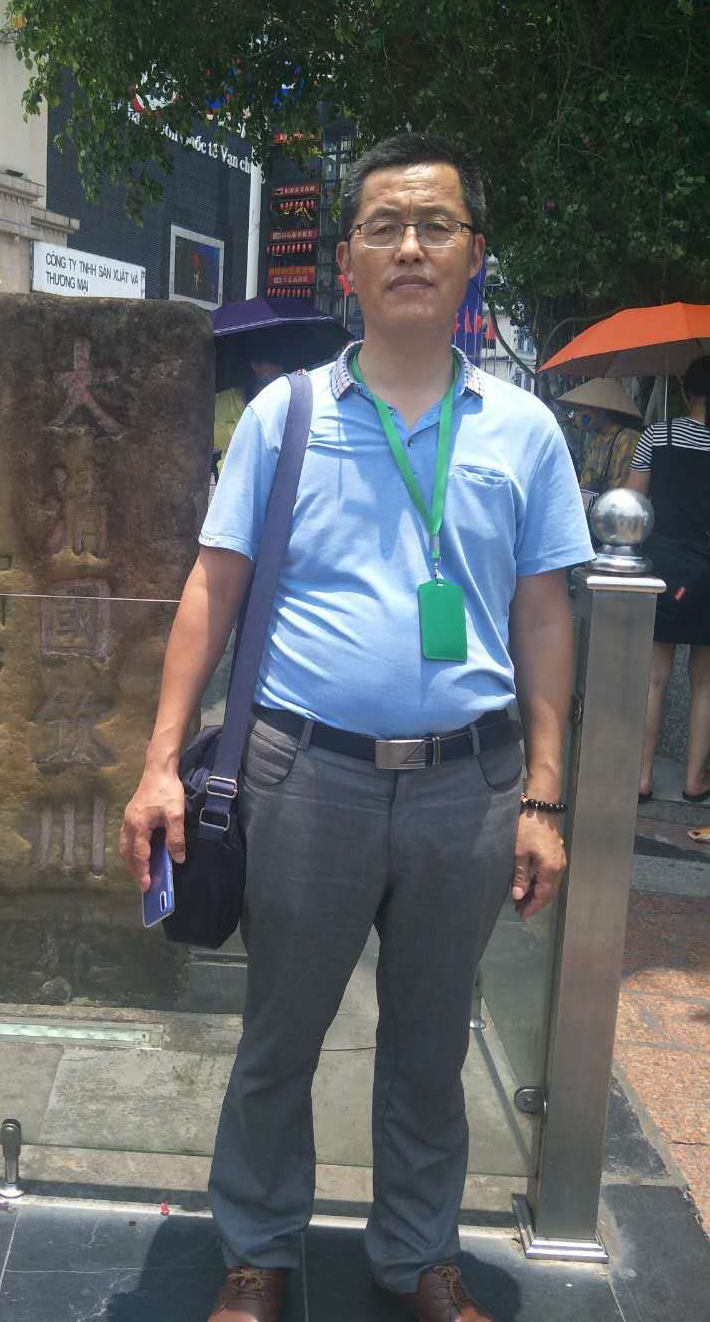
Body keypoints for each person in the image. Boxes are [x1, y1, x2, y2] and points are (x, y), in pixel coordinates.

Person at [121, 132, 591, 1322]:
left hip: (469, 786)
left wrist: (544, 795)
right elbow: (213, 587)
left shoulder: (523, 430)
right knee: (279, 1035)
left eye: (436, 225)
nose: (411, 247)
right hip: (304, 775)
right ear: (348, 261)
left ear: (473, 254)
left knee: (431, 1044)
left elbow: (544, 614)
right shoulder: (284, 415)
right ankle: (258, 1251)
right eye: (385, 226)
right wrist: (159, 764)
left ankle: (416, 1255)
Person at [627, 357, 710, 804]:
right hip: (708, 571)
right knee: (706, 685)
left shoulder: (660, 435)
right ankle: (694, 781)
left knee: (653, 679)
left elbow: (633, 501)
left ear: (685, 391)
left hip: (664, 568)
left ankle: (641, 777)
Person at [556, 378, 644, 511]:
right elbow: (586, 484)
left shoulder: (628, 440)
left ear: (599, 412)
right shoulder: (596, 441)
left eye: (580, 410)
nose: (575, 417)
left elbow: (620, 491)